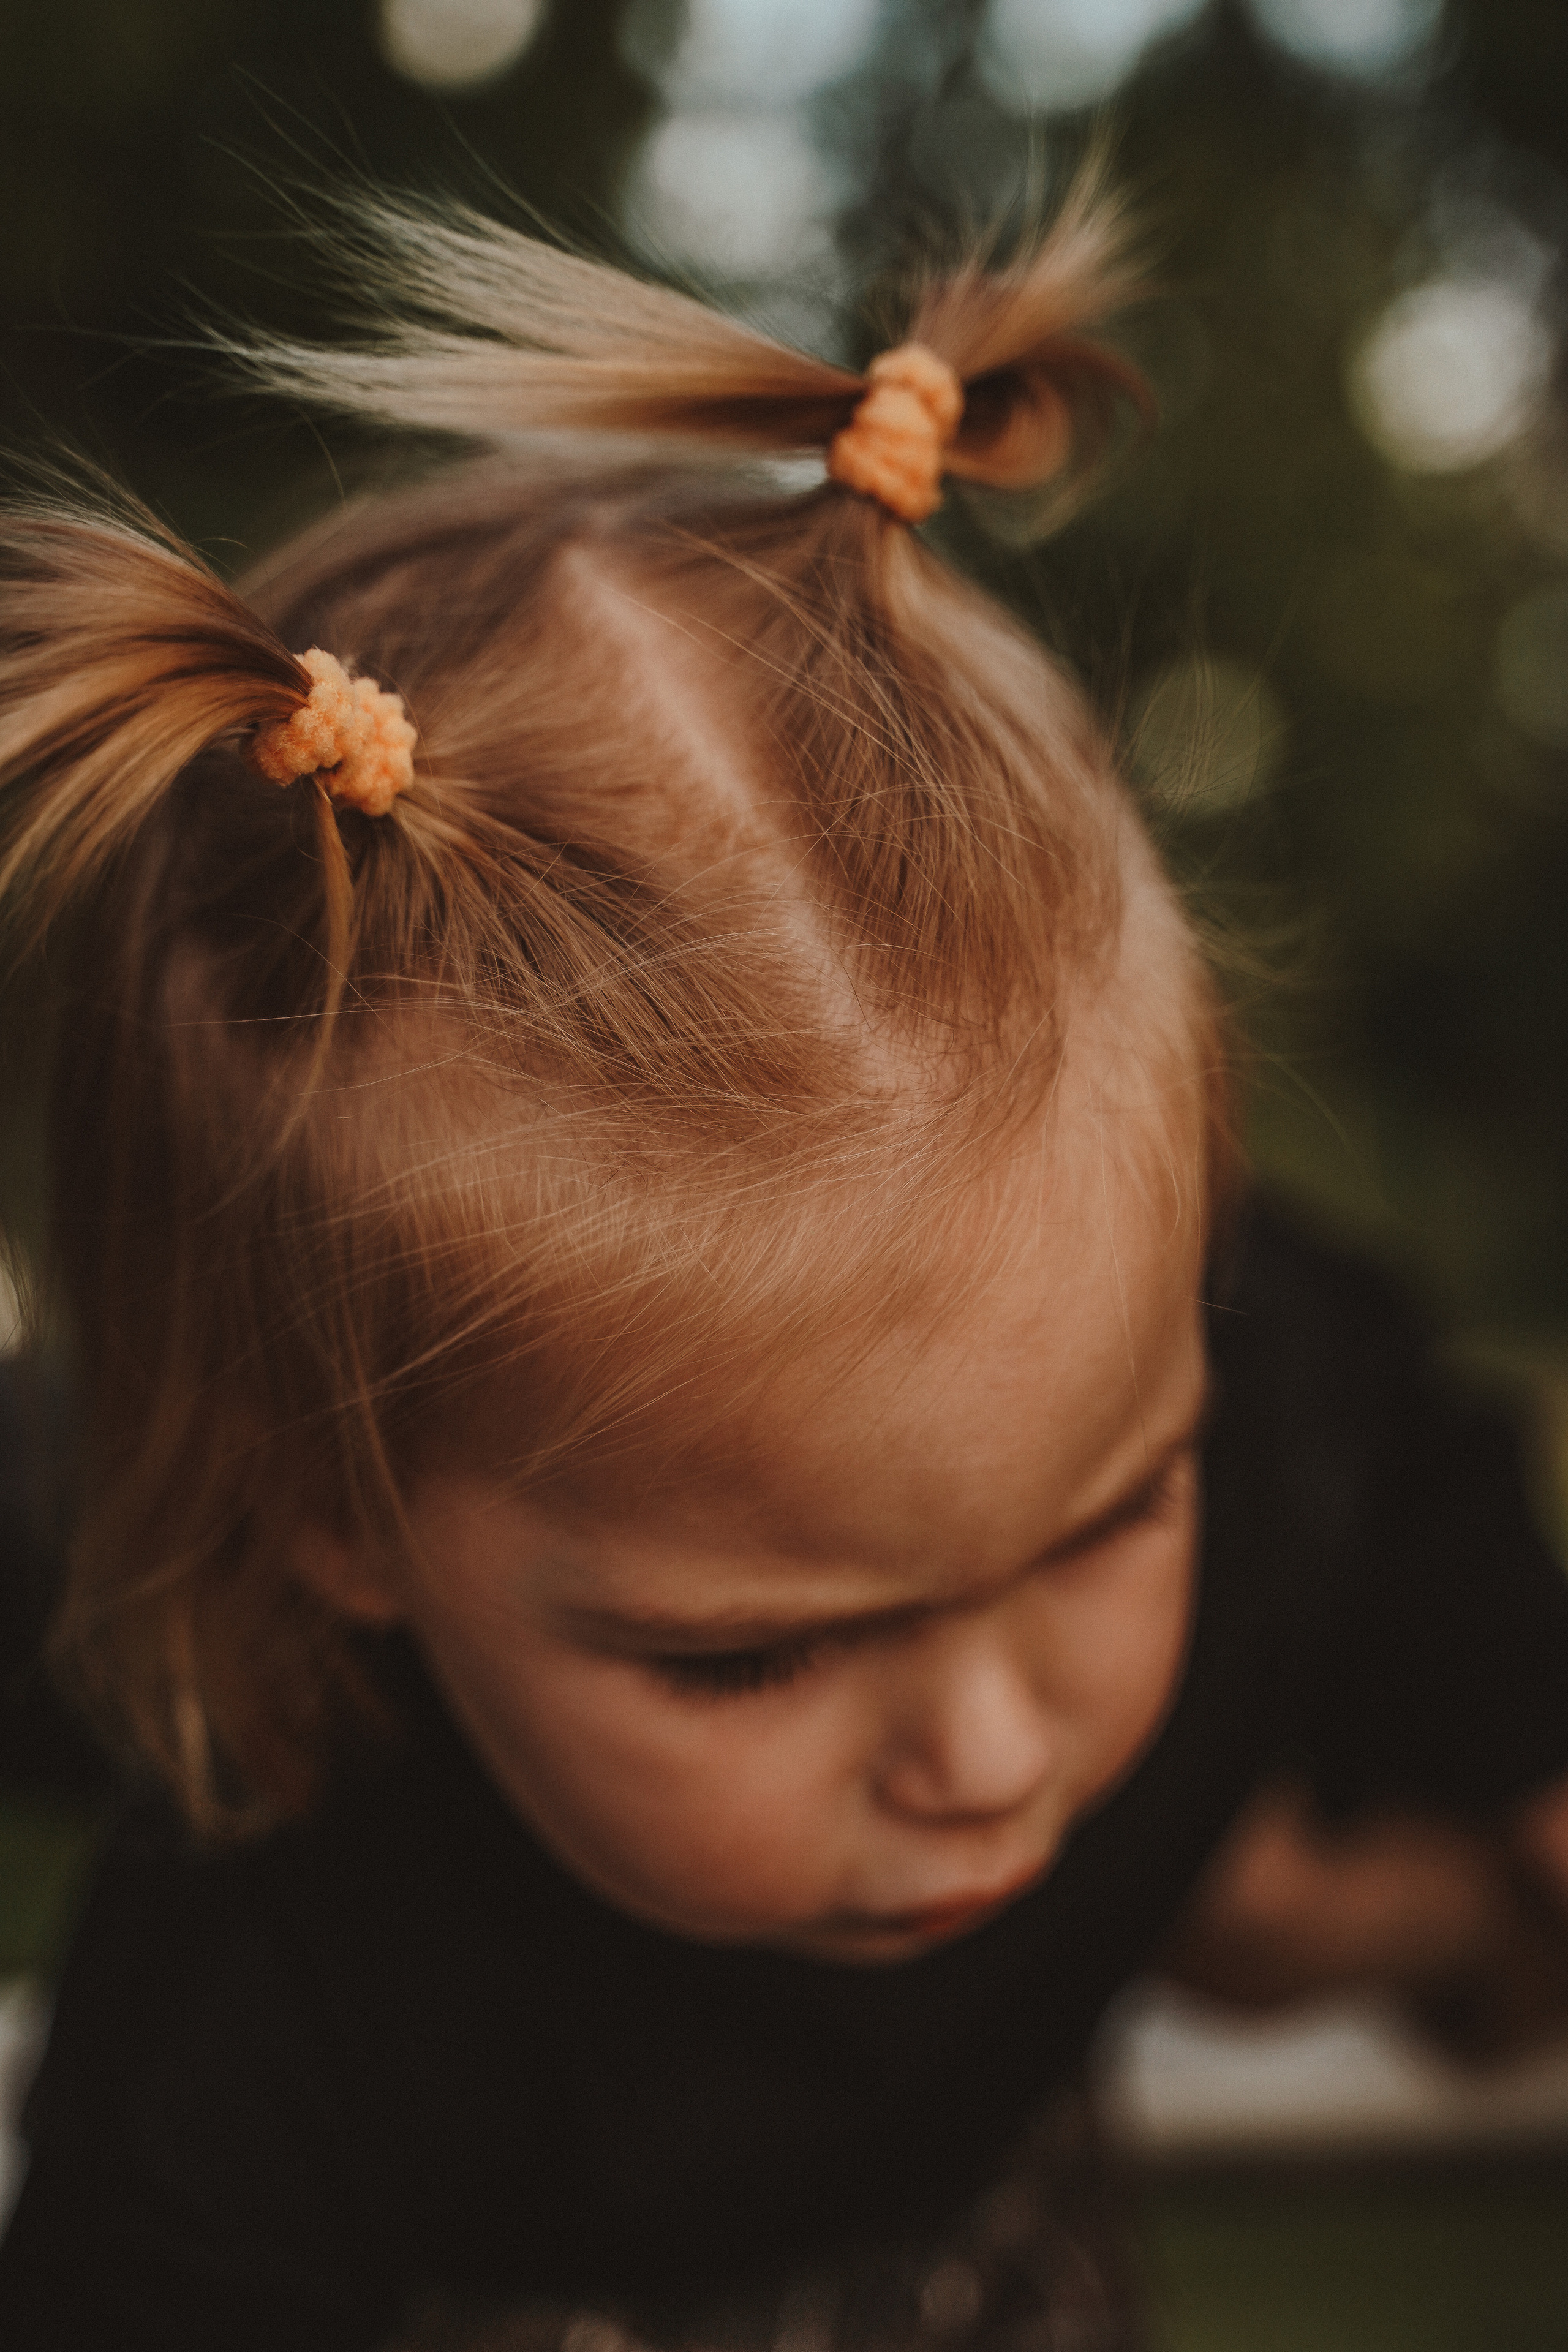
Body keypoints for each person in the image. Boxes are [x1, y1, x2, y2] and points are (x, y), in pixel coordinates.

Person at [0, 174, 1565, 2351]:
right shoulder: (264, 2043)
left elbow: (1399, 1447)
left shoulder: (1250, 1378)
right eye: (753, 1661)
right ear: (336, 1511)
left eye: (1118, 1515)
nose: (999, 1756)